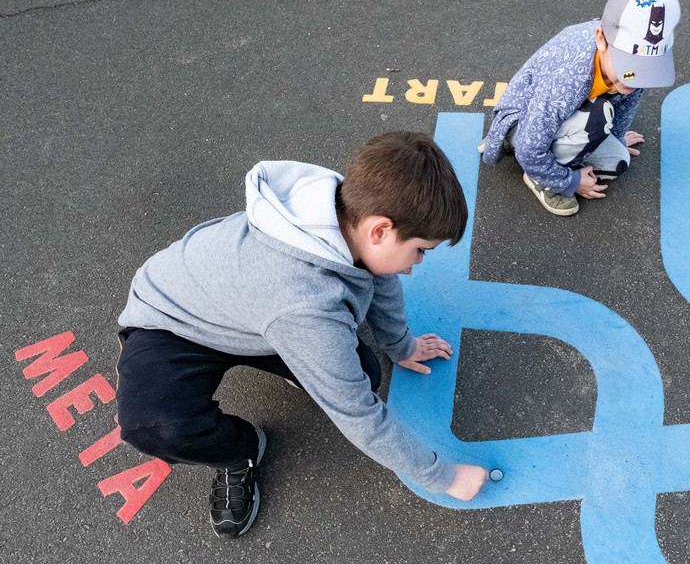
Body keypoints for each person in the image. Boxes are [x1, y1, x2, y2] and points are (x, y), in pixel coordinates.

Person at [114, 131, 488, 538]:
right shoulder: (306, 303)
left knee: (364, 372)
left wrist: (401, 345)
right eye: (420, 249)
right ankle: (240, 452)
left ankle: (307, 363)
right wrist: (445, 477)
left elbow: (376, 274)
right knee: (154, 426)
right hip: (171, 321)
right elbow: (360, 416)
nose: (417, 263)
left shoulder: (344, 210)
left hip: (254, 311)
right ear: (380, 230)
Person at [479, 0, 682, 216]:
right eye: (630, 65)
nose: (638, 78)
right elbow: (528, 149)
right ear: (600, 39)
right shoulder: (568, 76)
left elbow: (626, 105)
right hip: (524, 122)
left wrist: (616, 137)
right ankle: (539, 179)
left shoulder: (627, 63)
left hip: (569, 118)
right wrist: (569, 181)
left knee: (618, 162)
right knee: (595, 121)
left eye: (647, 67)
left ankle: (555, 158)